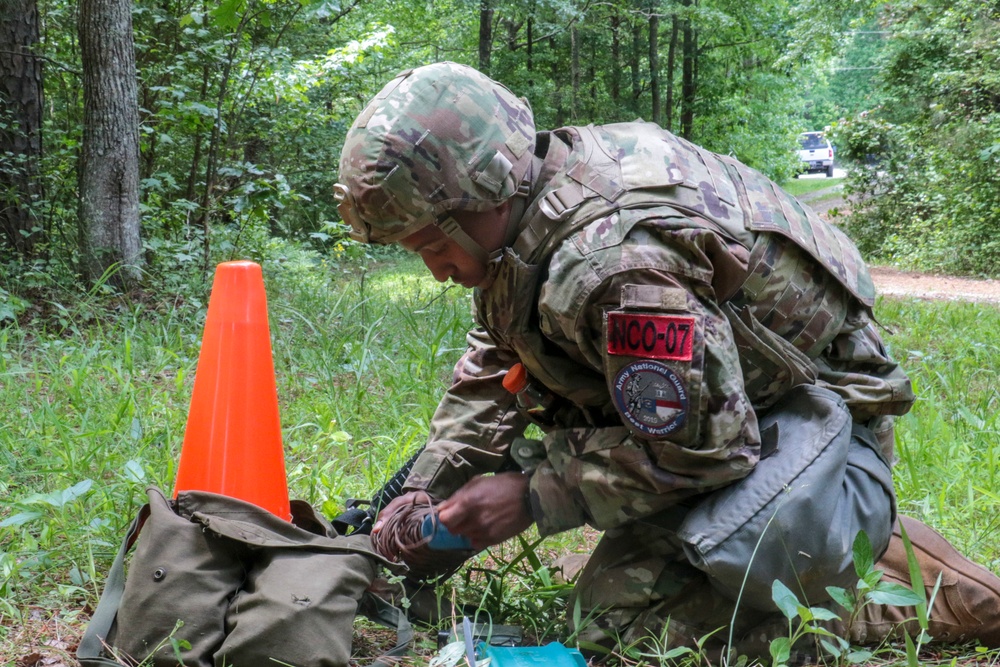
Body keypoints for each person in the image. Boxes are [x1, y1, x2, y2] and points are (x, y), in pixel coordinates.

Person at [335, 62, 1000, 656]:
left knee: (619, 625)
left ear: (479, 193)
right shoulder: (529, 209)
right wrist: (429, 484)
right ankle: (824, 544)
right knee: (555, 542)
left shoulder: (619, 266)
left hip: (813, 432)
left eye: (431, 245)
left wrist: (535, 495)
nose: (435, 272)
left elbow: (709, 450)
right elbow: (496, 360)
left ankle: (891, 579)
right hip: (729, 414)